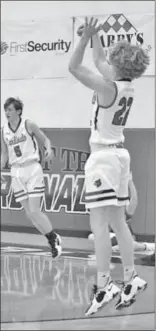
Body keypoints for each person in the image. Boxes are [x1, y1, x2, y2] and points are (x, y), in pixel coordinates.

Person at [69, 17, 150, 315]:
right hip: (119, 156)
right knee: (117, 223)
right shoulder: (125, 86)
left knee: (99, 225)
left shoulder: (107, 88)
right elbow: (99, 58)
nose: (107, 60)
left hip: (103, 158)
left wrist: (83, 39)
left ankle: (104, 285)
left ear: (118, 64)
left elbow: (74, 68)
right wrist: (94, 36)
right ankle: (130, 277)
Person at [1, 97, 62, 259]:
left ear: (18, 111)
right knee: (30, 214)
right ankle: (51, 238)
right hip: (16, 172)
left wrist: (49, 149)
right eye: (5, 109)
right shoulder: (3, 130)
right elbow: (5, 153)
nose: (6, 112)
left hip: (32, 168)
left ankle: (53, 238)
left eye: (10, 110)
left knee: (35, 210)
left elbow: (45, 140)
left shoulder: (28, 124)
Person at [88, 172, 155, 254]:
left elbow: (134, 199)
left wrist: (130, 182)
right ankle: (116, 247)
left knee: (129, 244)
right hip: (114, 237)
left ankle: (147, 246)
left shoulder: (126, 208)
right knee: (91, 237)